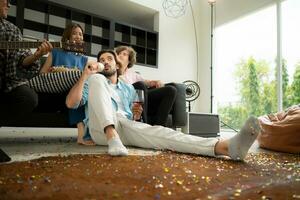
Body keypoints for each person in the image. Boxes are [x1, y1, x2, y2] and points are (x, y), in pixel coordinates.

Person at [66, 49, 261, 160]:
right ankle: (112, 136)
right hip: (101, 131)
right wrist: (86, 74)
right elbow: (71, 103)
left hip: (124, 126)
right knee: (97, 80)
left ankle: (226, 147)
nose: (105, 62)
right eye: (101, 60)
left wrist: (136, 114)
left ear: (117, 65)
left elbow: (132, 117)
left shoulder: (128, 89)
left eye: (109, 59)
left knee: (161, 134)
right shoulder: (93, 82)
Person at [40, 23, 96, 146]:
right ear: (67, 37)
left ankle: (90, 132)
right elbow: (42, 73)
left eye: (80, 34)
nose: (78, 36)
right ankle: (82, 134)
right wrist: (53, 72)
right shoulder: (55, 52)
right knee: (77, 86)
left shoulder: (84, 59)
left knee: (80, 86)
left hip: (73, 93)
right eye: (75, 33)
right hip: (55, 88)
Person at [0, 0, 52, 124]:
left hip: (4, 82)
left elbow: (21, 59)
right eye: (5, 0)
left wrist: (36, 55)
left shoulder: (11, 30)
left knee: (28, 98)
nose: (9, 4)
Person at [115, 46, 177, 126]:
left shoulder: (133, 75)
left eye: (124, 54)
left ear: (129, 60)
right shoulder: (112, 71)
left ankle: (159, 126)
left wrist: (155, 82)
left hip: (141, 99)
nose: (120, 55)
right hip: (127, 99)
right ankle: (144, 123)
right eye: (118, 54)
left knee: (171, 90)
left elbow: (146, 82)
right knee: (140, 85)